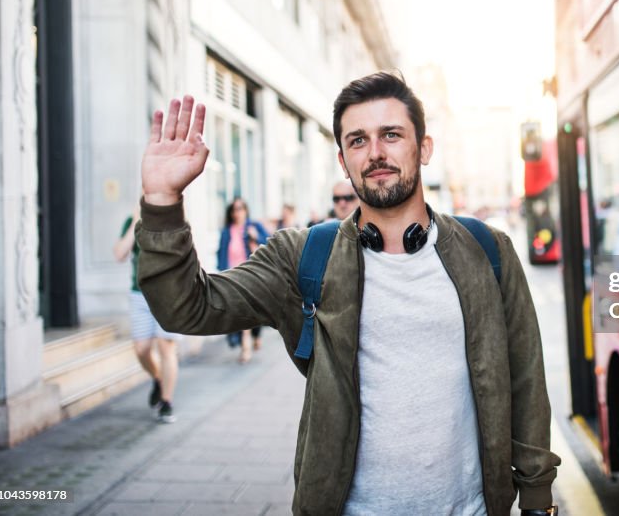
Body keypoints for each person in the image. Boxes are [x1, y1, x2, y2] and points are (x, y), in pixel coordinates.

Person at [134, 72, 560, 515]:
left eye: (391, 135)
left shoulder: (486, 251)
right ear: (343, 160)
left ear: (425, 148)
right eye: (358, 141)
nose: (375, 153)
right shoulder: (302, 256)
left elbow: (526, 377)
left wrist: (536, 499)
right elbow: (189, 308)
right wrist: (162, 202)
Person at [113, 204, 180, 423]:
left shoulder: (174, 217)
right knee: (141, 350)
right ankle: (158, 378)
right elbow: (119, 254)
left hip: (167, 293)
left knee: (165, 347)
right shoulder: (133, 220)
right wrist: (134, 222)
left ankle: (167, 402)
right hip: (139, 294)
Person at [216, 197, 269, 363]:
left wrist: (255, 236)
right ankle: (249, 341)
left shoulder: (253, 226)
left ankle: (248, 344)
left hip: (251, 274)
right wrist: (221, 274)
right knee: (239, 310)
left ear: (245, 210)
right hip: (233, 277)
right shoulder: (227, 230)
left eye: (240, 208)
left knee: (251, 309)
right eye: (234, 209)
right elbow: (222, 252)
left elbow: (269, 242)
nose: (237, 212)